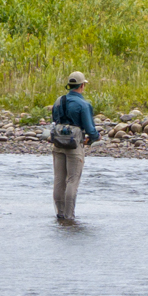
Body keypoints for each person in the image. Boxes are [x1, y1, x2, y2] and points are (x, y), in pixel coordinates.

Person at [50, 70, 100, 223]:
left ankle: (59, 214)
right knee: (72, 180)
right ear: (82, 85)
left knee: (59, 180)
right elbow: (90, 129)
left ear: (69, 85)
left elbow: (54, 120)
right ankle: (69, 217)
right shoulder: (84, 104)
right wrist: (95, 138)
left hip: (58, 144)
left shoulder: (58, 101)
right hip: (74, 146)